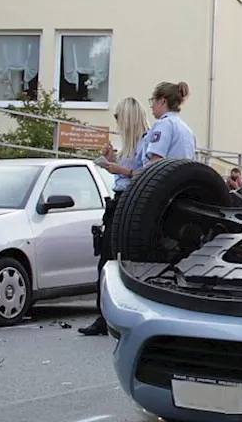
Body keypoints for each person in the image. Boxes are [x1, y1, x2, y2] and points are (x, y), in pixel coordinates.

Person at [79, 97, 152, 337]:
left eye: (120, 118)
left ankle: (108, 316)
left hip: (129, 201)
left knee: (112, 258)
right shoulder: (132, 144)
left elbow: (147, 173)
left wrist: (118, 168)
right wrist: (111, 160)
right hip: (120, 201)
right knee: (107, 258)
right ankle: (105, 314)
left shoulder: (146, 142)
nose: (117, 123)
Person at [142, 81, 197, 165]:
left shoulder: (164, 124)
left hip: (165, 176)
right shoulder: (188, 131)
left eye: (153, 100)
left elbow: (156, 161)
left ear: (162, 101)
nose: (151, 106)